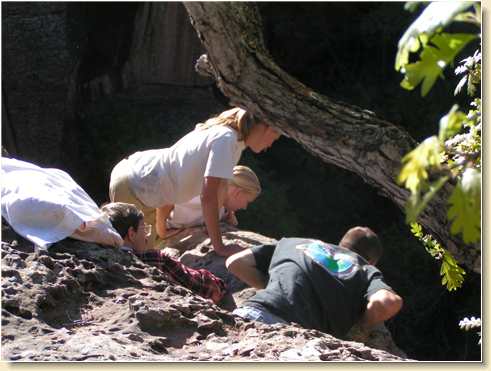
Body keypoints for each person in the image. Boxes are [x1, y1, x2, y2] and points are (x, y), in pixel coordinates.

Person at [109, 107, 280, 257]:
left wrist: (223, 217)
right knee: (136, 255)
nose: (272, 144)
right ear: (267, 127)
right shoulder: (226, 139)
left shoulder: (230, 138)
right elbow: (209, 196)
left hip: (141, 183)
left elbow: (215, 191)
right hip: (136, 185)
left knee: (147, 256)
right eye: (275, 136)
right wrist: (220, 246)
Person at [225, 226, 403, 339]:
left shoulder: (293, 242)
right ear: (371, 260)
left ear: (341, 243)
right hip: (290, 335)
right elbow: (387, 302)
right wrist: (362, 328)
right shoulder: (365, 269)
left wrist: (274, 286)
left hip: (249, 312)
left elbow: (235, 263)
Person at [100, 202, 227, 304]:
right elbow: (201, 286)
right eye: (144, 229)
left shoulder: (95, 261)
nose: (147, 235)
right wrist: (219, 284)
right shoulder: (155, 259)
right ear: (131, 233)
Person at [166, 165, 261, 230]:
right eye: (247, 201)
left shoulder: (223, 207)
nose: (245, 207)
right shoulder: (200, 194)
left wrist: (230, 214)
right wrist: (161, 230)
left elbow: (230, 220)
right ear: (237, 192)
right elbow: (167, 196)